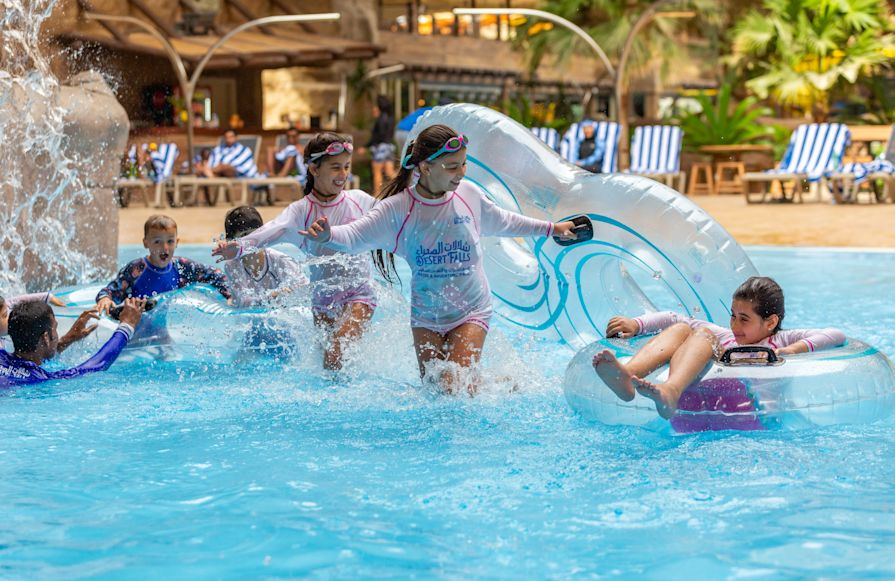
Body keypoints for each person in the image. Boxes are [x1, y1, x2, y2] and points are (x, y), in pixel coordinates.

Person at [297, 124, 579, 395]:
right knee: (436, 391)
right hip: (426, 316)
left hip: (471, 309)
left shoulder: (469, 195)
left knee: (453, 386)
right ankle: (498, 383)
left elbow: (505, 221)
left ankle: (476, 383)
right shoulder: (399, 209)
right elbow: (356, 235)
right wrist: (328, 235)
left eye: (463, 164)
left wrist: (552, 229)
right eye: (452, 166)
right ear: (425, 167)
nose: (461, 173)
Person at [213, 133, 376, 371]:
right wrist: (237, 248)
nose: (343, 174)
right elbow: (267, 232)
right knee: (329, 368)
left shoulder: (359, 200)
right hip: (323, 299)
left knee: (336, 351)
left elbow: (392, 218)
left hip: (359, 292)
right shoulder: (301, 211)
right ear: (314, 169)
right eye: (335, 167)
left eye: (346, 167)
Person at [593, 276, 846, 419]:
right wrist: (636, 324)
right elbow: (673, 318)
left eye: (744, 319)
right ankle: (627, 376)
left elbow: (835, 334)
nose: (735, 325)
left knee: (703, 333)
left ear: (770, 322)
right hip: (697, 415)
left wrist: (793, 351)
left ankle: (671, 390)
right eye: (733, 315)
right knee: (685, 329)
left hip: (751, 420)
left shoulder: (781, 341)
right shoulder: (724, 336)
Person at [96, 215, 231, 342]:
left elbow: (215, 274)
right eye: (157, 242)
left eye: (170, 241)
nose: (164, 248)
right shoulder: (136, 269)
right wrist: (105, 299)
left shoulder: (181, 267)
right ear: (146, 243)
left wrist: (228, 294)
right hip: (132, 336)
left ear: (177, 242)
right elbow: (111, 291)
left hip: (162, 336)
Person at [222, 206, 309, 359]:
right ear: (231, 241)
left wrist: (287, 295)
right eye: (244, 236)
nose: (251, 241)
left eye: (256, 234)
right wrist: (273, 296)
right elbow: (244, 302)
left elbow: (305, 289)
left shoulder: (280, 261)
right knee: (238, 362)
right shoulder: (233, 265)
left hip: (285, 332)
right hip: (253, 332)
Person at [0, 297, 145, 388]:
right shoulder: (39, 379)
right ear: (45, 338)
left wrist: (68, 339)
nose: (57, 334)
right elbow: (95, 366)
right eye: (55, 328)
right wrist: (127, 325)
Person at [1, 292, 97, 353]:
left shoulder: (6, 360)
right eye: (54, 329)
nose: (10, 318)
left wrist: (70, 338)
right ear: (45, 338)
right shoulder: (37, 375)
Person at [363, 96, 397, 194]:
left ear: (379, 107)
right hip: (389, 146)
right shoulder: (390, 118)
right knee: (390, 173)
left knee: (377, 172)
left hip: (380, 147)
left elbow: (378, 136)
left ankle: (376, 194)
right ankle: (404, 188)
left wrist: (366, 146)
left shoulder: (381, 119)